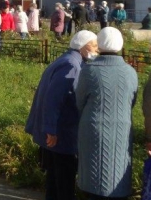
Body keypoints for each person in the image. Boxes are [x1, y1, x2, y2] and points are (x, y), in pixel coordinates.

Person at [25, 30, 98, 200]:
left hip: (58, 130)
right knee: (64, 179)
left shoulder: (68, 59)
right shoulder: (72, 64)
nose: (97, 50)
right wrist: (51, 130)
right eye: (94, 46)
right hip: (61, 133)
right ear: (83, 46)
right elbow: (54, 98)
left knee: (55, 178)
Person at [76, 27, 138, 200]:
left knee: (92, 177)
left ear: (100, 44)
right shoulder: (130, 72)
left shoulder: (89, 70)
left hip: (92, 129)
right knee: (118, 174)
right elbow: (131, 102)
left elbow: (79, 102)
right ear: (120, 45)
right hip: (122, 132)